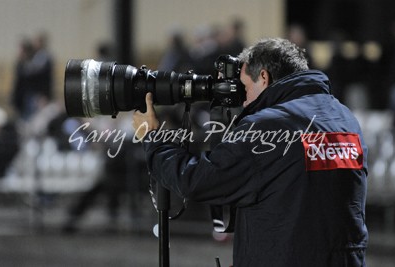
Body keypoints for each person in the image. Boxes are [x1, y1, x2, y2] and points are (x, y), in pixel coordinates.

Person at [132, 38, 368, 266]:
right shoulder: (345, 119)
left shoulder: (269, 125)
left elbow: (195, 180)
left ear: (263, 77)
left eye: (244, 87)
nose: (243, 102)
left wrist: (153, 138)